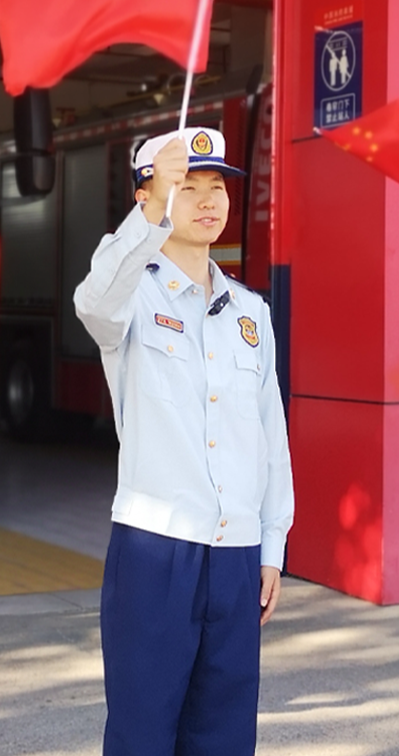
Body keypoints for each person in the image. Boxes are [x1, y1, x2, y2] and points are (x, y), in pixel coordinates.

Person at [74, 127, 294, 756]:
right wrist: (147, 213)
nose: (207, 200)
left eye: (215, 186)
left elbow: (267, 433)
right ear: (151, 194)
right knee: (144, 729)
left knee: (224, 731)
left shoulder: (250, 311)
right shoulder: (129, 293)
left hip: (236, 551)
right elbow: (92, 301)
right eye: (187, 185)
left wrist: (272, 541)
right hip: (156, 550)